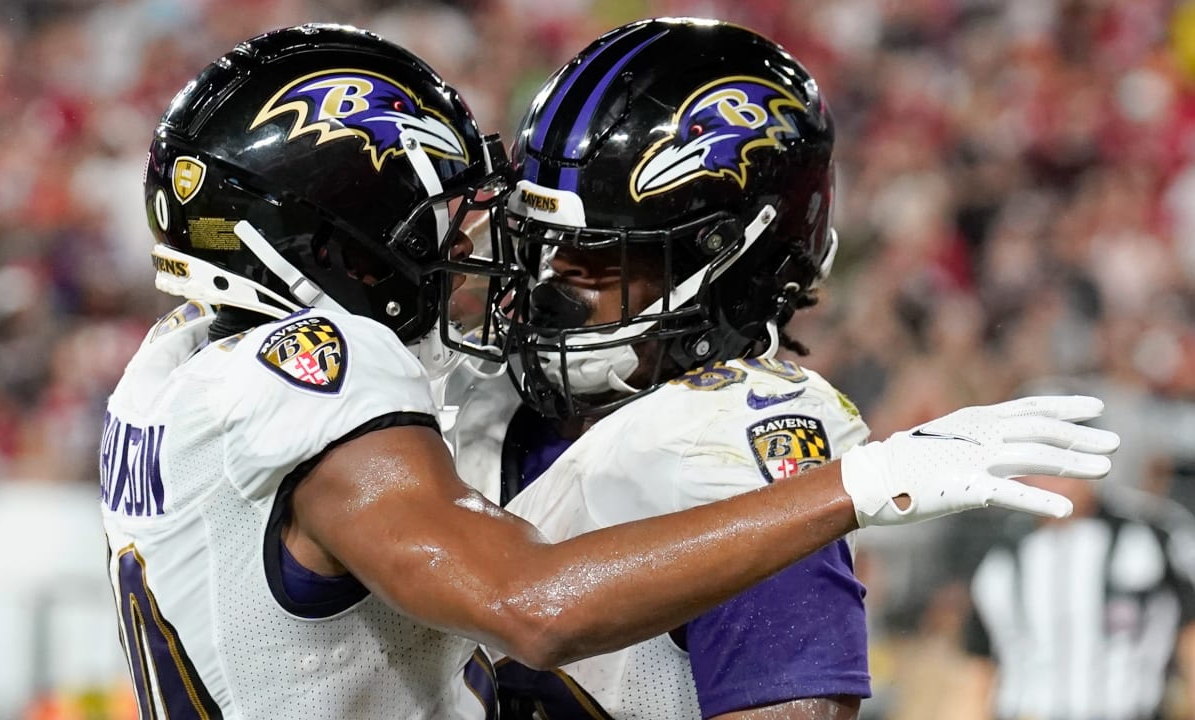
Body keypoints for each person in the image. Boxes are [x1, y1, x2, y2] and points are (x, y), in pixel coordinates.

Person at [101, 22, 1118, 720]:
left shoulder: (169, 371)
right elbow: (531, 603)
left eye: (592, 257)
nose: (514, 274)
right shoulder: (331, 375)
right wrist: (846, 487)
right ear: (333, 247)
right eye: (428, 226)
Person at [438, 18, 1103, 719]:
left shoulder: (732, 455)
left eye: (598, 257)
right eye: (540, 245)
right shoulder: (465, 403)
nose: (547, 286)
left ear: (732, 265)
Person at [959, 399, 1195, 720]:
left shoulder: (1150, 538)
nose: (1056, 475)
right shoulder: (1001, 557)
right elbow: (980, 665)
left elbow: (1189, 633)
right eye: (1043, 462)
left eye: (1067, 460)